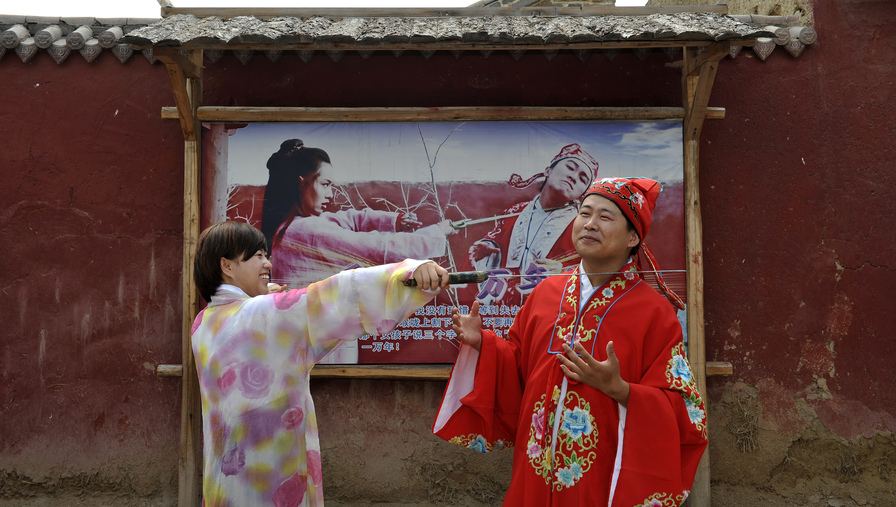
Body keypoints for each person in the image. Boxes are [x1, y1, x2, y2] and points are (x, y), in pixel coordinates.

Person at [433, 178, 706, 506]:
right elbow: (519, 366)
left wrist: (620, 389)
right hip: (536, 468)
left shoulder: (655, 313)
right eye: (585, 213)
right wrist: (484, 344)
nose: (590, 224)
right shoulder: (546, 293)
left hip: (603, 476)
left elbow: (685, 410)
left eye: (605, 217)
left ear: (633, 237)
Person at [191, 221, 449, 507]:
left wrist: (262, 298)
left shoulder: (203, 324)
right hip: (272, 475)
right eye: (258, 256)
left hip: (224, 479)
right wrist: (410, 271)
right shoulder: (265, 312)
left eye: (266, 255)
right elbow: (341, 293)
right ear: (227, 266)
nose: (268, 263)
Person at [260, 139, 456, 363]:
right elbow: (377, 249)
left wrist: (394, 221)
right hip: (321, 347)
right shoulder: (308, 230)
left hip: (305, 340)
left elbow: (349, 218)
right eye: (325, 184)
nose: (330, 195)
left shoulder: (290, 226)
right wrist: (435, 233)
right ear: (301, 183)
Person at [467, 143, 598, 306]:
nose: (573, 177)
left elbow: (595, 270)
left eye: (582, 179)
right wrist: (485, 249)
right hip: (504, 307)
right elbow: (495, 241)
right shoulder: (515, 211)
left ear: (582, 194)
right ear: (548, 170)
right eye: (570, 167)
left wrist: (563, 271)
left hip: (549, 308)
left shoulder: (581, 226)